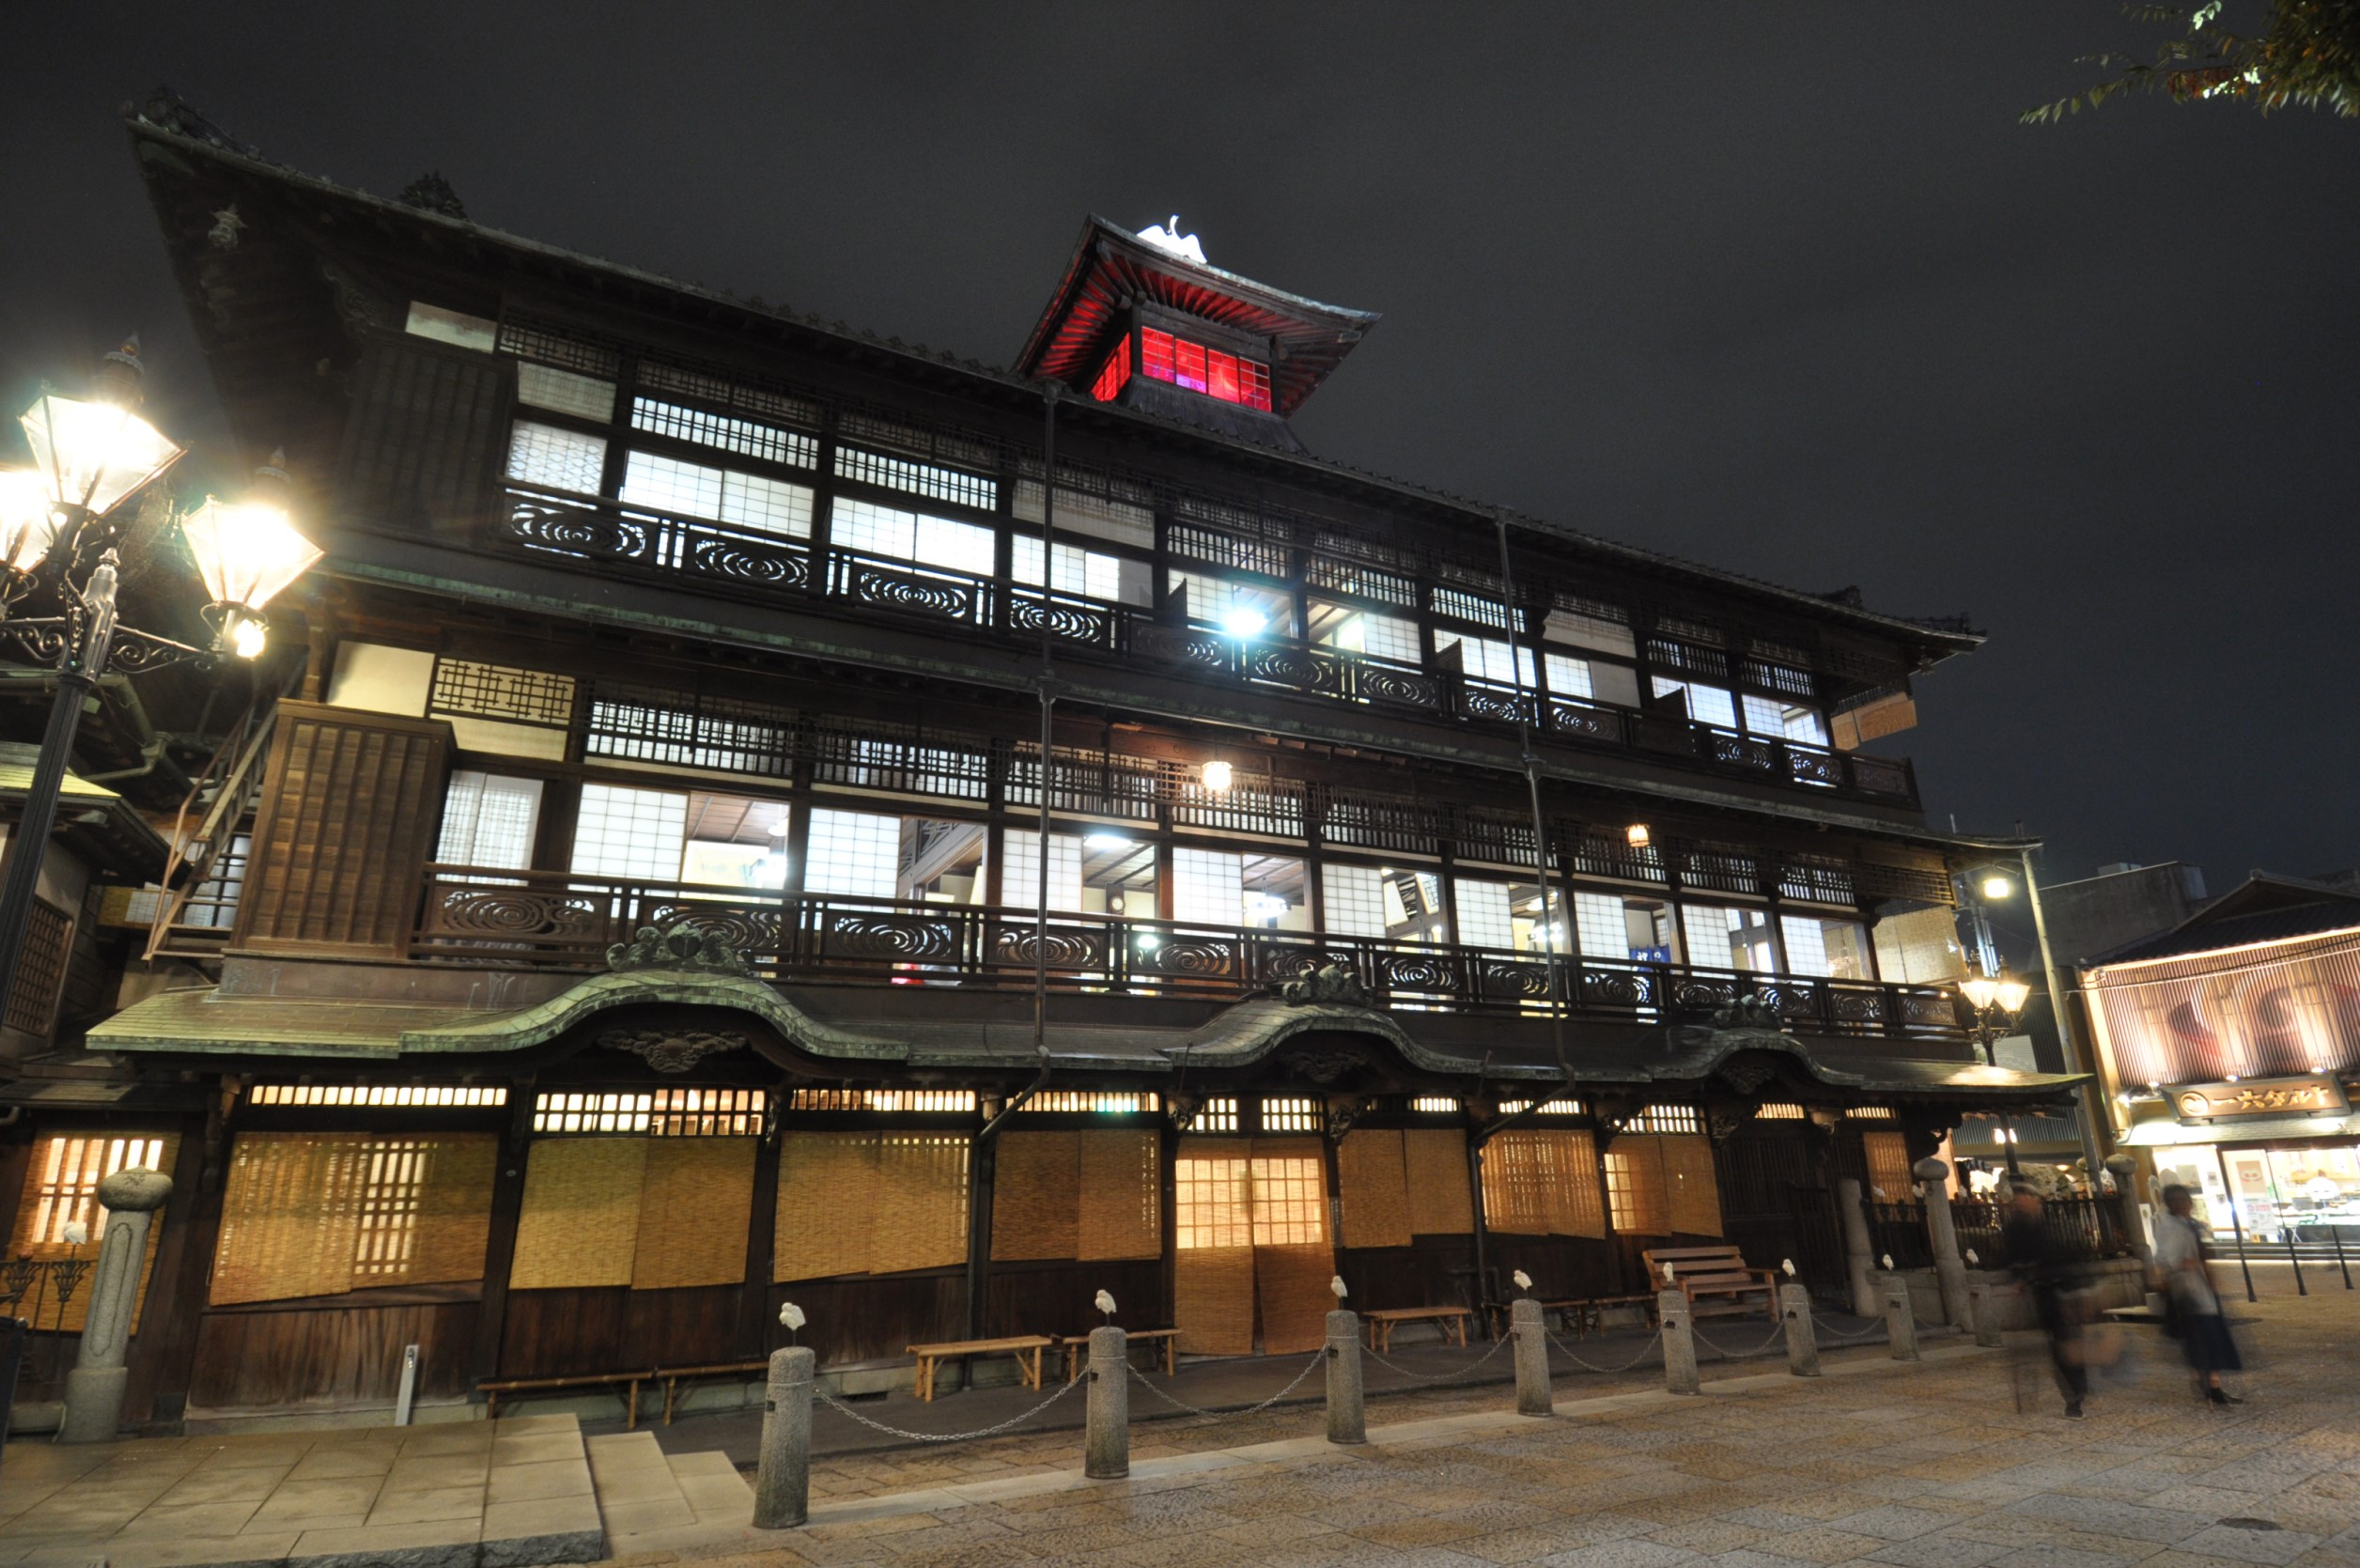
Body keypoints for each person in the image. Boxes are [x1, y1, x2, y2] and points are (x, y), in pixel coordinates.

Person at [2001, 1180, 2088, 1417]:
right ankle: (2073, 1394)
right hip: (2045, 1291)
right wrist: (2020, 1278)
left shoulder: (2049, 1224)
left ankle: (2078, 1385)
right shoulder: (2017, 1228)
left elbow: (2069, 1255)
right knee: (2060, 1343)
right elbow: (2014, 1259)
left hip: (2064, 1287)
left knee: (2070, 1341)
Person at [2153, 1183, 2244, 1405]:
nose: (2181, 1204)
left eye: (2183, 1199)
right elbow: (2166, 1259)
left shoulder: (2187, 1224)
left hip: (2200, 1290)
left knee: (2210, 1340)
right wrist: (2191, 1262)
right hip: (2189, 1293)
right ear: (2167, 1203)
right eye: (2174, 1200)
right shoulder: (2169, 1226)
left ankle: (2212, 1387)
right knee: (2205, 1340)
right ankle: (2209, 1387)